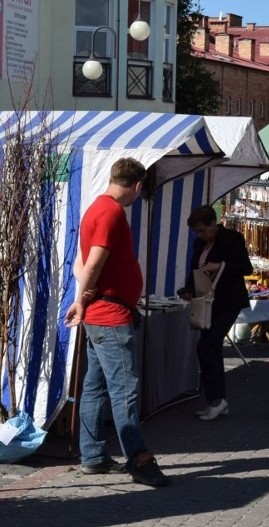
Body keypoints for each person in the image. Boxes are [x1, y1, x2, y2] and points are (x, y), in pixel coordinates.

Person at [65, 157, 169, 488]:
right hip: (110, 317)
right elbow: (92, 263)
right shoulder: (111, 212)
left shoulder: (95, 208)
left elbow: (79, 265)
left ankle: (93, 456)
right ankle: (139, 460)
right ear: (138, 186)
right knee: (124, 389)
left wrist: (82, 299)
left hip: (102, 313)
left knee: (95, 387)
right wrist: (82, 302)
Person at [178, 206, 253, 421]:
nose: (200, 235)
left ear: (213, 224)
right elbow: (195, 270)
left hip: (228, 301)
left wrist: (221, 266)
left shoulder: (232, 239)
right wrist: (188, 290)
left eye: (203, 230)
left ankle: (217, 400)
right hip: (206, 302)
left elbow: (245, 268)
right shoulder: (199, 243)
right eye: (196, 232)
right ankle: (216, 400)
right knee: (207, 346)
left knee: (208, 344)